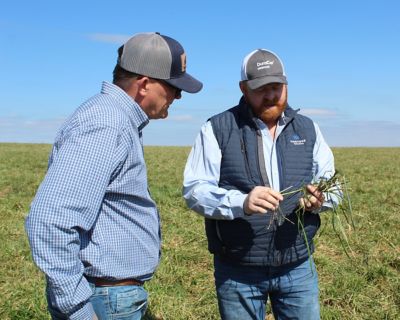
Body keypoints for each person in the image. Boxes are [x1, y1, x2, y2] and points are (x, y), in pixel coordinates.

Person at [25, 32, 202, 320]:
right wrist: (78, 308)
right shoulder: (107, 124)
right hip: (102, 301)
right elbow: (50, 220)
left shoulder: (113, 120)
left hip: (109, 298)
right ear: (144, 85)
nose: (178, 95)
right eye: (173, 86)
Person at [183, 49, 339, 320]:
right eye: (260, 89)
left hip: (298, 267)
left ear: (286, 84)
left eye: (276, 87)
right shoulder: (217, 128)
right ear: (243, 89)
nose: (270, 95)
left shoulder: (308, 129)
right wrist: (241, 202)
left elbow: (332, 185)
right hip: (238, 270)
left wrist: (321, 199)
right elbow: (195, 191)